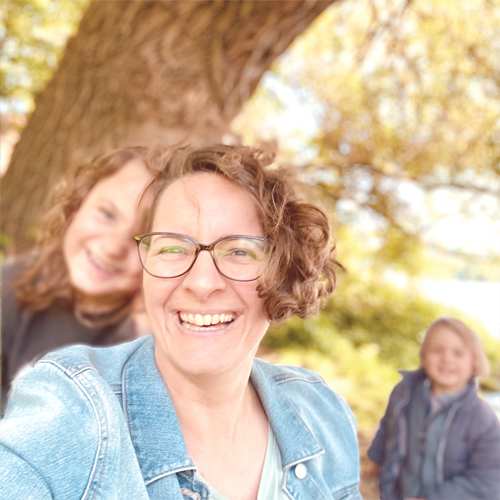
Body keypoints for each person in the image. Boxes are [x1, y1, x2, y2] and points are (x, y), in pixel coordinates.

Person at [0, 145, 362, 500]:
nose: (202, 283)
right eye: (173, 247)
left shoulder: (322, 412)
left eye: (239, 251)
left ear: (284, 271)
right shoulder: (75, 409)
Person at [1, 147, 157, 412]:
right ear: (76, 208)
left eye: (141, 238)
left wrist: (143, 327)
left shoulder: (152, 337)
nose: (112, 247)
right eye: (107, 214)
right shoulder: (12, 289)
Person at [365, 316, 500, 500]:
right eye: (437, 350)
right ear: (424, 355)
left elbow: (488, 478)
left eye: (458, 353)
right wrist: (375, 458)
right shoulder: (404, 394)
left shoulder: (482, 418)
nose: (446, 359)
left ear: (474, 362)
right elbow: (388, 428)